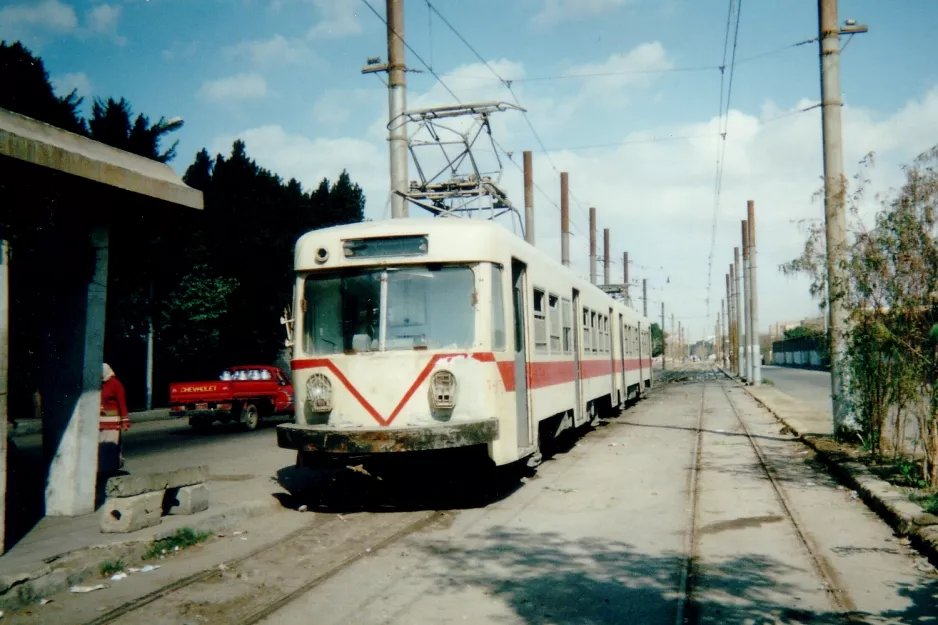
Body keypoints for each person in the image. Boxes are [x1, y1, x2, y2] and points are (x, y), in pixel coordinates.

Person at [99, 363, 130, 475]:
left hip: (112, 424)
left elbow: (122, 404)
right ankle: (102, 469)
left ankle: (111, 469)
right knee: (101, 447)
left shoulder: (116, 384)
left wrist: (125, 421)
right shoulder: (99, 385)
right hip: (100, 423)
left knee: (111, 447)